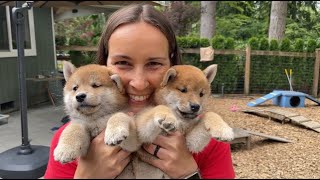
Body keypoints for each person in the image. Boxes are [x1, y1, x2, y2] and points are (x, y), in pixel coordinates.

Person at [44, 3, 235, 179]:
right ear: (103, 65)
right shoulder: (69, 139)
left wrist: (188, 174)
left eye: (154, 64)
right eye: (122, 63)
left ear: (172, 67)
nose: (139, 83)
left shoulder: (212, 136)